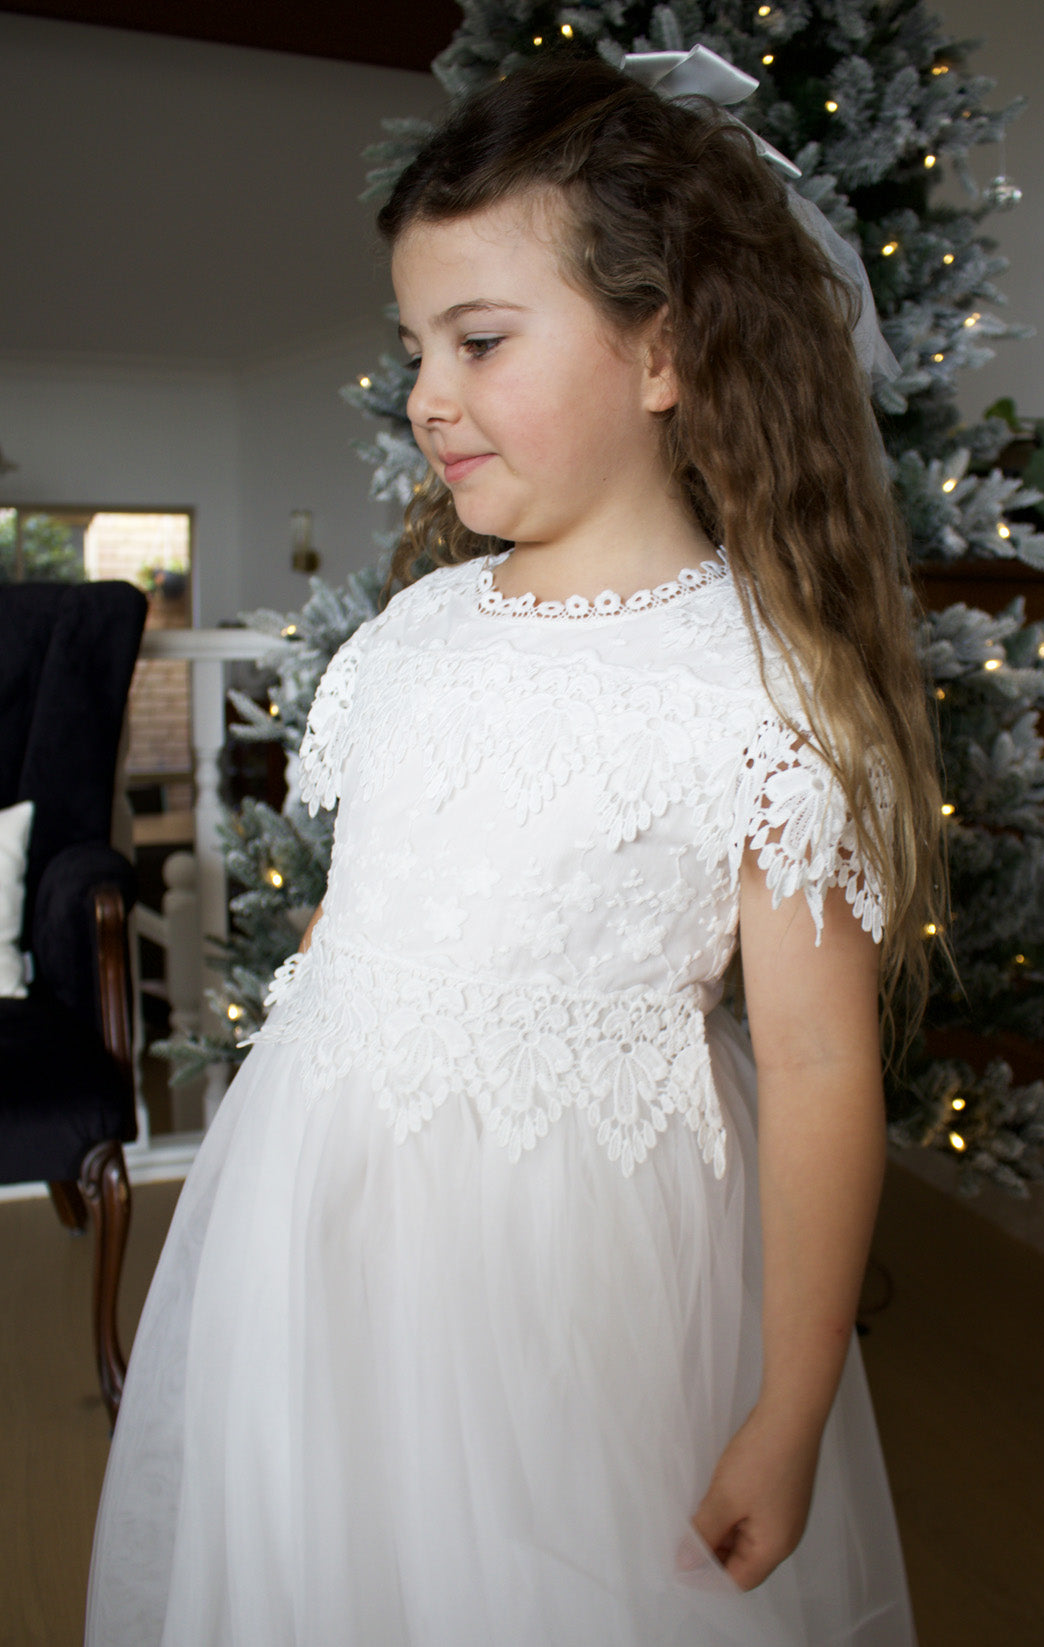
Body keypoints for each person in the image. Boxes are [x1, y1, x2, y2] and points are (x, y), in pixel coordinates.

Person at [86, 52, 945, 1647]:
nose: (427, 393)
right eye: (416, 346)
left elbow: (823, 1069)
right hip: (327, 1218)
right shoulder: (415, 634)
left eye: (481, 340)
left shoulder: (755, 691)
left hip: (576, 1269)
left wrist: (790, 1398)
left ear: (666, 349)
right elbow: (362, 921)